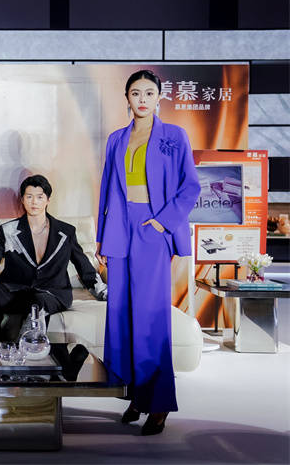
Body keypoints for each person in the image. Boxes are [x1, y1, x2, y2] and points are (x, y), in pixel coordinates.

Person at [95, 69, 200, 436]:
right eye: (136, 93)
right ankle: (134, 395)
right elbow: (107, 188)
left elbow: (191, 186)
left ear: (159, 98)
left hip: (152, 227)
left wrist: (162, 223)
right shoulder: (116, 139)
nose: (142, 99)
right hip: (118, 229)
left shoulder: (175, 136)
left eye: (149, 93)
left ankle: (158, 403)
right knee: (121, 316)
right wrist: (101, 238)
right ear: (127, 98)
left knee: (151, 317)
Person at [0, 174, 99, 365]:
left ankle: (29, 344)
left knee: (38, 300)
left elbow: (83, 265)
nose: (34, 202)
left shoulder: (66, 231)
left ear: (48, 200)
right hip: (16, 293)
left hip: (51, 294)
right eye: (29, 196)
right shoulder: (9, 230)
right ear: (22, 200)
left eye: (39, 197)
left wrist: (102, 291)